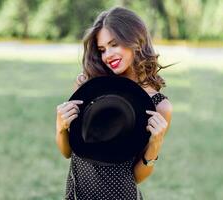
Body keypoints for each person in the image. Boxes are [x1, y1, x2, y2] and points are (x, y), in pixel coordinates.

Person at [56, 7, 173, 199]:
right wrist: (60, 127)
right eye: (102, 49)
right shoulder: (88, 87)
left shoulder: (158, 106)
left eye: (114, 44)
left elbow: (136, 177)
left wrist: (155, 145)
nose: (107, 55)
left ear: (136, 40)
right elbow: (68, 152)